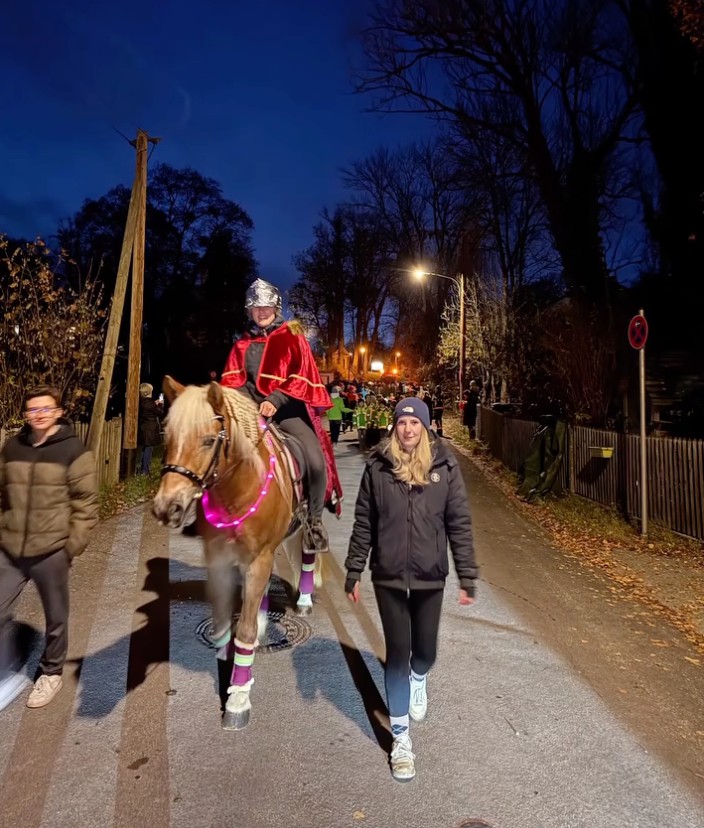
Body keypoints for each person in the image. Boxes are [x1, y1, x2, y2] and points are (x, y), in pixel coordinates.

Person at [344, 397, 477, 782]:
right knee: (398, 653)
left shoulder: (444, 466)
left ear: (425, 427)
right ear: (395, 426)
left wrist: (467, 575)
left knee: (425, 652)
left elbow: (459, 523)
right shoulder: (378, 466)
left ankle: (421, 677)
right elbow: (364, 522)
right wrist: (354, 569)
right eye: (402, 422)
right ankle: (401, 740)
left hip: (429, 575)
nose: (407, 429)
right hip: (386, 575)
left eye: (414, 423)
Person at [221, 278, 342, 548]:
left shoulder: (292, 335)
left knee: (314, 460)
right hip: (251, 415)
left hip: (287, 412)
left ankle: (313, 522)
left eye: (266, 306)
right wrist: (247, 405)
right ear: (249, 311)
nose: (261, 311)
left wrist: (275, 399)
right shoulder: (241, 344)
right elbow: (233, 382)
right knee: (218, 452)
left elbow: (302, 375)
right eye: (256, 307)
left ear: (276, 308)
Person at [0, 385, 98, 711]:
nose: (39, 415)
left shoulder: (73, 450)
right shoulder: (12, 447)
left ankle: (51, 673)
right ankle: (6, 672)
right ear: (25, 414)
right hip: (11, 549)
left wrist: (70, 548)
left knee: (56, 618)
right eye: (33, 410)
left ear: (58, 412)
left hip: (52, 551)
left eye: (46, 409)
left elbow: (86, 505)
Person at [137, 382, 162, 475]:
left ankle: (142, 468)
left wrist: (154, 403)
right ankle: (145, 470)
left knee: (145, 448)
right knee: (148, 449)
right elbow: (159, 413)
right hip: (150, 429)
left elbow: (148, 408)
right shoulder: (150, 403)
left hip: (144, 427)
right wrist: (159, 405)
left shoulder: (142, 402)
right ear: (149, 391)